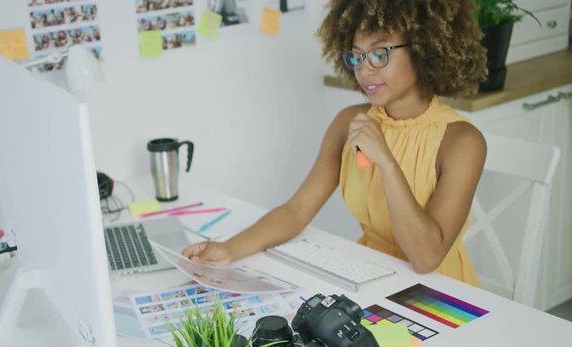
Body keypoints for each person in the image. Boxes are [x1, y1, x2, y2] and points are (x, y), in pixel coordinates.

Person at [182, 0, 487, 286]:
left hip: (440, 291)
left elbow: (426, 258)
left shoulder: (461, 141)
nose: (364, 70)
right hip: (371, 275)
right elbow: (297, 210)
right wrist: (229, 249)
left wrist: (387, 162)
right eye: (356, 55)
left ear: (424, 50)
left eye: (380, 54)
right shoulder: (349, 123)